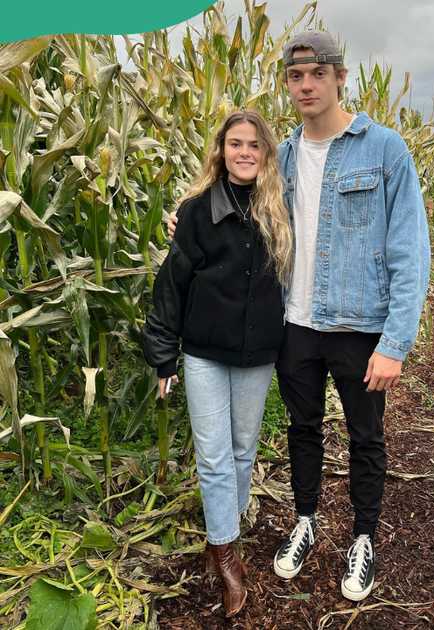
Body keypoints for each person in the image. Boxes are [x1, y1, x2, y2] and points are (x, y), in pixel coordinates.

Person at [168, 30, 431, 603]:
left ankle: (363, 536)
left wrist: (396, 342)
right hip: (293, 322)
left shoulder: (385, 150)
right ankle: (305, 519)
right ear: (287, 83)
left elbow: (411, 248)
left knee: (366, 436)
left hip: (361, 326)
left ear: (340, 77)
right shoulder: (280, 154)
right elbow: (231, 203)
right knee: (302, 430)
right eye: (295, 76)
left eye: (318, 74)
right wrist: (183, 221)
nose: (306, 85)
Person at [142, 109, 293, 617]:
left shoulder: (281, 209)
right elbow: (173, 283)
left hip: (256, 354)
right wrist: (163, 355)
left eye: (253, 144)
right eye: (235, 144)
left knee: (242, 449)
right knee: (212, 456)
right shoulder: (196, 211)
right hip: (204, 352)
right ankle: (228, 558)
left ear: (266, 153)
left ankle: (223, 530)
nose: (244, 152)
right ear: (221, 151)